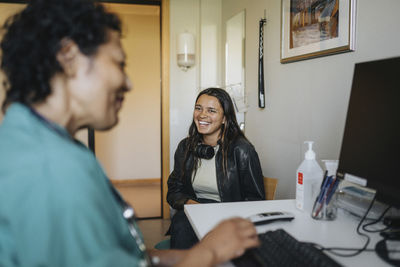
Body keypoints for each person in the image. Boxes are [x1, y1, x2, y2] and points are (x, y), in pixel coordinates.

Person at [0, 0, 259, 266]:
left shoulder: (34, 143)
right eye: (118, 64)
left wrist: (186, 255)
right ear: (70, 57)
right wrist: (210, 252)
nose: (128, 82)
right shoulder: (50, 168)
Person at [167, 88, 265, 249]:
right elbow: (173, 190)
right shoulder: (185, 147)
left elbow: (256, 200)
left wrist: (220, 216)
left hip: (229, 218)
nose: (202, 115)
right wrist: (192, 206)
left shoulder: (242, 150)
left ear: (224, 118)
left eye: (211, 110)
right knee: (181, 224)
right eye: (198, 108)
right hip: (195, 213)